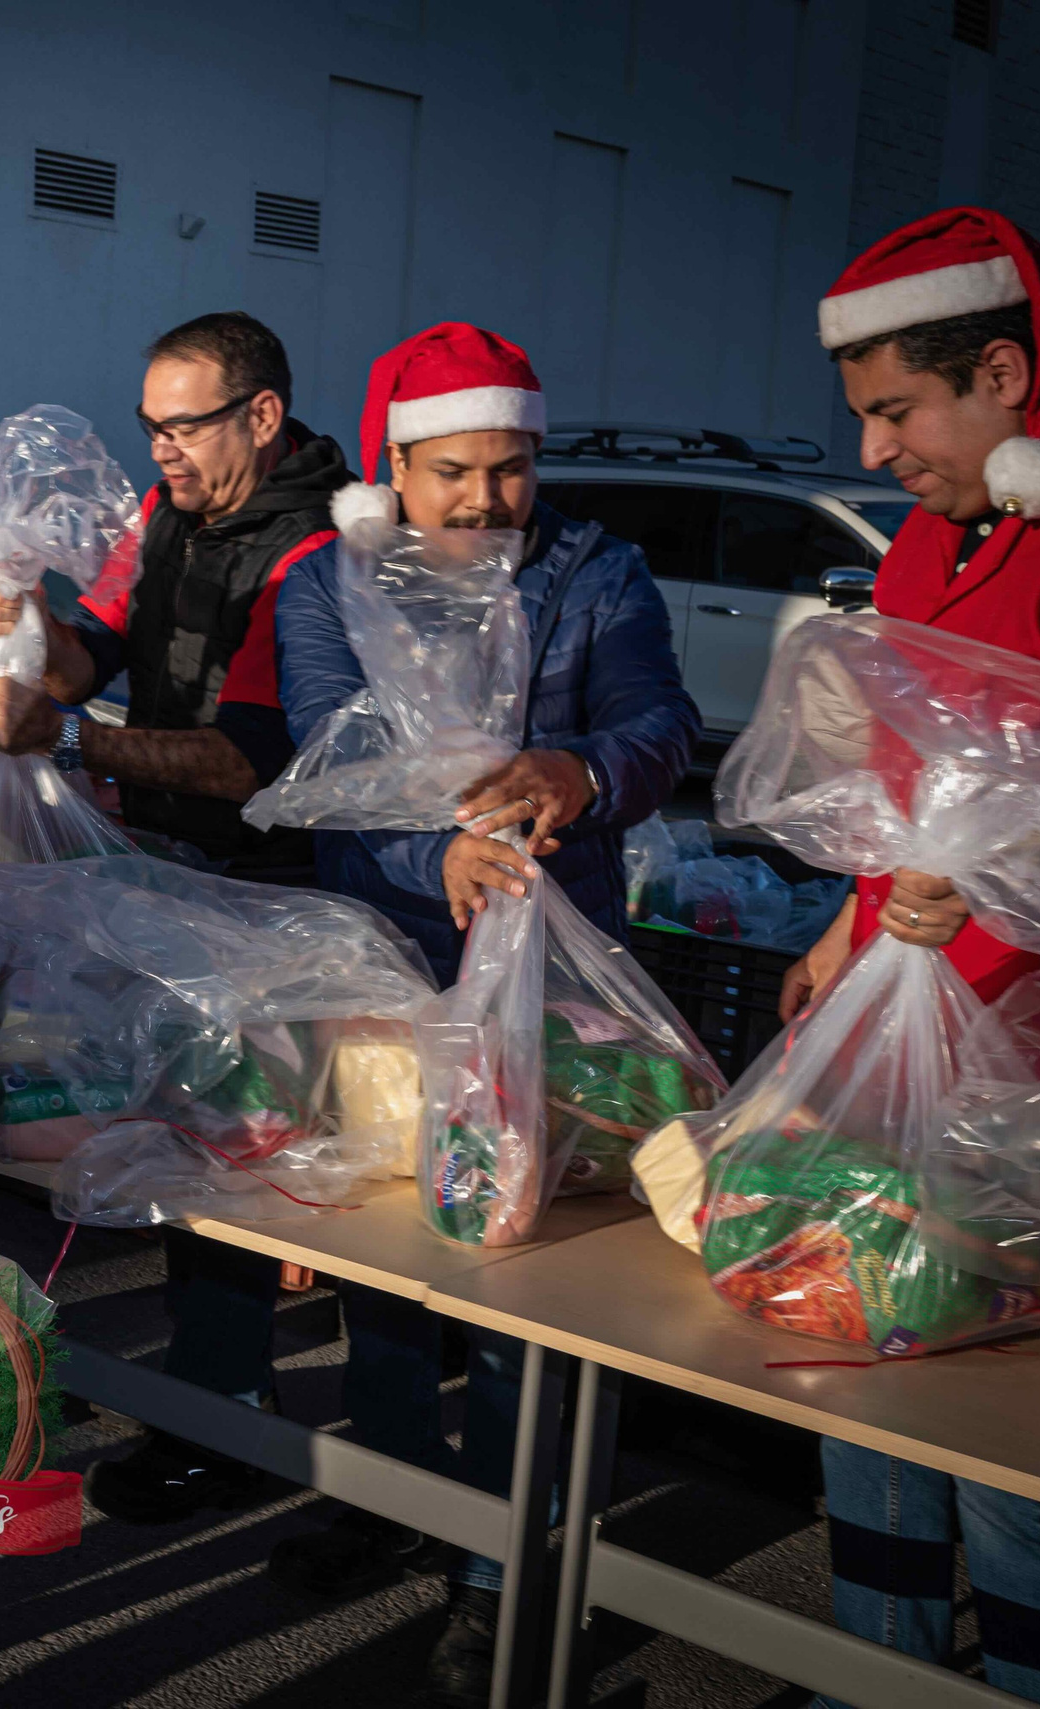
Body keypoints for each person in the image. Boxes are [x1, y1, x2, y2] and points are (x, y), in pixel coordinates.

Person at [271, 322, 700, 1707]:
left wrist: (579, 771)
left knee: (530, 1272)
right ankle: (397, 1487)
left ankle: (510, 1564)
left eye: (511, 470)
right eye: (451, 471)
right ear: (390, 465)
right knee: (394, 1255)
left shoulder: (598, 570)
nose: (485, 501)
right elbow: (333, 760)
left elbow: (660, 727)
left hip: (552, 972)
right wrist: (430, 852)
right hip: (390, 960)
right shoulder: (323, 583)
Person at [781, 208, 1040, 1709]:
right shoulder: (938, 537)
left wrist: (990, 885)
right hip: (900, 1028)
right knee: (857, 1355)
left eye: (895, 411)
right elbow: (907, 783)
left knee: (1009, 1431)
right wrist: (841, 921)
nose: (874, 453)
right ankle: (878, 1671)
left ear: (1006, 375)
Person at [0, 310, 356, 1525]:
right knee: (190, 1168)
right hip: (169, 877)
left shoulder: (310, 551)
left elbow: (255, 761)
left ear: (261, 415)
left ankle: (270, 1442)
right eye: (149, 426)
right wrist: (26, 640)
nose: (163, 451)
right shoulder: (164, 518)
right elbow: (95, 642)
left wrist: (72, 734)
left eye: (182, 425)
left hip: (275, 895)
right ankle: (216, 1412)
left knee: (243, 1176)